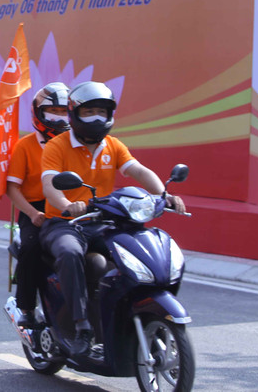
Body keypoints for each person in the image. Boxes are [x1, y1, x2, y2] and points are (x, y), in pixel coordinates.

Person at [39, 81, 186, 358]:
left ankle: (129, 312)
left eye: (102, 112)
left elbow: (139, 171)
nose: (97, 118)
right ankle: (82, 326)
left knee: (138, 252)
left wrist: (164, 194)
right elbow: (50, 185)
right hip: (64, 223)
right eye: (89, 111)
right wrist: (68, 205)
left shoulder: (113, 146)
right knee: (71, 254)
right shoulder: (57, 146)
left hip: (103, 222)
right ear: (74, 114)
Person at [6, 82, 70, 328]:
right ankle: (26, 309)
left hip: (69, 207)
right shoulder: (24, 146)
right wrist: (32, 213)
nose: (59, 117)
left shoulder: (75, 146)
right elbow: (13, 188)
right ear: (38, 113)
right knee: (30, 247)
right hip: (36, 209)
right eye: (53, 111)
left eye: (64, 112)